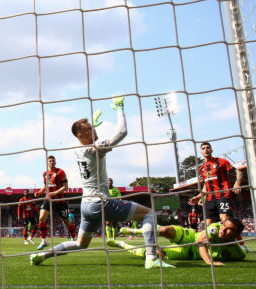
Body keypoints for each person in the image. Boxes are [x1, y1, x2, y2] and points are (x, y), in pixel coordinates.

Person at [30, 97, 173, 269]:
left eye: (92, 127)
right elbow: (122, 132)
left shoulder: (77, 148)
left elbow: (88, 139)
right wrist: (120, 108)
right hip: (101, 202)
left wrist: (94, 129)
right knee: (149, 214)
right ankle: (151, 257)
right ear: (81, 135)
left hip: (86, 205)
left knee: (81, 244)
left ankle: (41, 254)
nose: (93, 130)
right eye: (89, 129)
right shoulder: (94, 149)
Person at [114, 217, 246, 266]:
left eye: (229, 229)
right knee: (165, 230)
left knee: (156, 253)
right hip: (191, 237)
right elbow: (200, 242)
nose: (223, 230)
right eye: (224, 225)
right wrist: (209, 261)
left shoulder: (238, 254)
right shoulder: (214, 228)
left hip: (188, 253)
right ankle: (135, 231)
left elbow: (241, 255)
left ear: (236, 235)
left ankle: (122, 244)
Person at [188, 142, 247, 252]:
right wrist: (198, 196)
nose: (206, 150)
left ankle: (241, 244)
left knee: (225, 219)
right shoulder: (201, 169)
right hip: (210, 199)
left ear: (211, 150)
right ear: (201, 151)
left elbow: (238, 171)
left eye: (208, 148)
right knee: (208, 226)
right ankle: (213, 248)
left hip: (223, 195)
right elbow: (206, 184)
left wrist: (237, 182)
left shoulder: (221, 162)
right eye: (203, 148)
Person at [34, 155, 76, 250]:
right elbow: (46, 186)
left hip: (60, 200)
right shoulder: (45, 173)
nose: (51, 162)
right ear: (47, 162)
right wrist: (40, 192)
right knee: (41, 218)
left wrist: (55, 193)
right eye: (50, 161)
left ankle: (73, 237)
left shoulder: (60, 172)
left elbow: (65, 187)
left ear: (55, 162)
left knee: (66, 221)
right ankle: (44, 241)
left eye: (53, 161)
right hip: (48, 199)